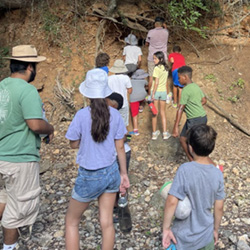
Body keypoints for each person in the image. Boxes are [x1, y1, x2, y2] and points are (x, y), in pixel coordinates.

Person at [65, 68, 130, 250]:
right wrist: (123, 173)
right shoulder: (115, 115)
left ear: (87, 94)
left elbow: (73, 143)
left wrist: (85, 142)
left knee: (71, 221)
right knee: (106, 222)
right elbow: (120, 147)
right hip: (111, 172)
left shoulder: (81, 115)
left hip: (89, 175)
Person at [0, 45, 54, 250]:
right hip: (19, 157)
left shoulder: (2, 86)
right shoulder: (27, 90)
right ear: (30, 67)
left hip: (1, 156)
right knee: (17, 210)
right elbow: (35, 124)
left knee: (4, 196)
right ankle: (9, 246)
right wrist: (50, 128)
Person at [162, 124, 225, 250]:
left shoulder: (185, 170)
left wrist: (166, 229)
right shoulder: (217, 173)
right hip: (206, 236)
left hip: (184, 238)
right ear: (212, 148)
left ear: (190, 148)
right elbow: (219, 207)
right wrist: (215, 229)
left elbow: (171, 201)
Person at [106, 93, 132, 231]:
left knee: (118, 182)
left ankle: (119, 209)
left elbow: (122, 139)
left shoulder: (114, 116)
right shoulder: (115, 116)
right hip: (121, 153)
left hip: (120, 153)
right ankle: (118, 208)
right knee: (118, 182)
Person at [172, 66, 207, 161]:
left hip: (195, 119)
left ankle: (199, 162)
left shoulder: (185, 90)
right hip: (202, 117)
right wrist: (195, 105)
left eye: (179, 78)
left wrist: (176, 127)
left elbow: (180, 108)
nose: (178, 80)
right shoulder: (195, 86)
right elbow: (204, 100)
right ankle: (192, 161)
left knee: (194, 144)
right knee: (183, 139)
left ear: (185, 77)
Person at [151, 51, 171, 140]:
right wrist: (167, 93)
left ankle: (154, 134)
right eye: (153, 58)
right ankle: (165, 133)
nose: (154, 60)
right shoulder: (165, 68)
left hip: (156, 92)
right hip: (163, 92)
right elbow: (166, 82)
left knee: (155, 113)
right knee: (163, 112)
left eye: (155, 58)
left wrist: (153, 93)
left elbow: (156, 83)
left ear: (161, 59)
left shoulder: (156, 69)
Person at [146, 16, 169, 94]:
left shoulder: (150, 32)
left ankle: (149, 94)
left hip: (152, 57)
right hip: (163, 57)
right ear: (162, 24)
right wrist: (165, 26)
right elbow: (166, 29)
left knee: (151, 77)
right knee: (164, 77)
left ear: (155, 24)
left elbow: (147, 43)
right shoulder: (166, 32)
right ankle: (166, 95)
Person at [108, 59, 132, 127]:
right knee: (123, 124)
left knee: (112, 123)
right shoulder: (126, 78)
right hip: (123, 103)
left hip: (112, 104)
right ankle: (122, 136)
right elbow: (130, 91)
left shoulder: (109, 78)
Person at [129, 69, 148, 136]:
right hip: (142, 96)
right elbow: (146, 87)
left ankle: (136, 130)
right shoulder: (144, 81)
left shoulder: (130, 81)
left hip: (133, 98)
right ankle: (141, 106)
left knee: (134, 115)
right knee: (143, 96)